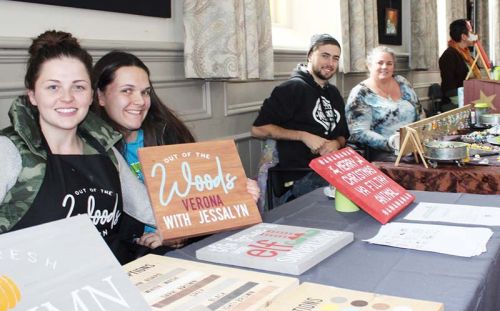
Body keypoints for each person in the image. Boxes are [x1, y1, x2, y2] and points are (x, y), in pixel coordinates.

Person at [0, 31, 157, 264]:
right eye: (53, 87)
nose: (67, 98)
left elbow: (151, 211)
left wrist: (174, 229)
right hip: (32, 293)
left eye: (78, 87)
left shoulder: (105, 151)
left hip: (108, 284)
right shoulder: (9, 152)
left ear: (92, 95)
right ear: (32, 95)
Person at [92, 51, 260, 245]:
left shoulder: (167, 133)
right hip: (135, 253)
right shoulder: (93, 150)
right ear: (100, 96)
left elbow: (201, 196)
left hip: (190, 241)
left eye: (145, 92)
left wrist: (238, 193)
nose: (140, 101)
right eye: (127, 90)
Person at [251, 34, 349, 204]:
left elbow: (343, 135)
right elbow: (258, 129)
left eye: (335, 58)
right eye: (324, 56)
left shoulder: (333, 93)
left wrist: (336, 144)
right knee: (350, 192)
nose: (330, 63)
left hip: (332, 167)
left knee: (370, 181)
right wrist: (303, 136)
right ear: (310, 55)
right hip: (301, 175)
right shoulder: (291, 89)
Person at [345, 46, 422, 161]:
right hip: (381, 153)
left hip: (413, 147)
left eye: (389, 63)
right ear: (369, 65)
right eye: (380, 63)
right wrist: (393, 144)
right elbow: (359, 132)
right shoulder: (360, 93)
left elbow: (419, 112)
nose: (384, 67)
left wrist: (422, 136)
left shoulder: (402, 82)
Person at [439, 19, 481, 111]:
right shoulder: (448, 55)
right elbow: (449, 88)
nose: (476, 36)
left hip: (472, 98)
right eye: (471, 32)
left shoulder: (468, 55)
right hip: (456, 103)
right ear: (463, 36)